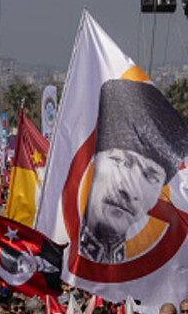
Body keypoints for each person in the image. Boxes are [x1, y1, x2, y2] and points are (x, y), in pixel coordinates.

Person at [79, 78, 188, 263]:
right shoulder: (52, 238)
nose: (128, 189)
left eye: (150, 176)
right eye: (121, 161)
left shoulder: (158, 265)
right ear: (95, 161)